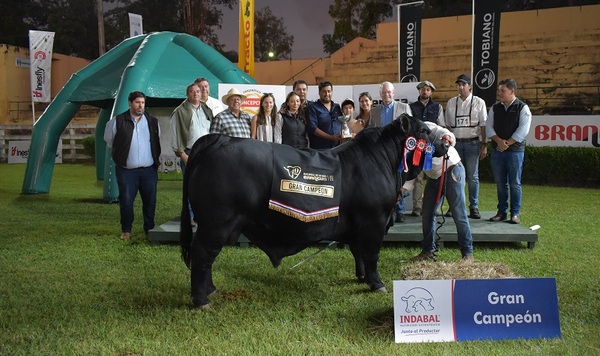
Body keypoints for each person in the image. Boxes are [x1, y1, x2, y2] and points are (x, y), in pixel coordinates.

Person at [407, 122, 474, 262]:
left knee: (458, 214)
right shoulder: (407, 144)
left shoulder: (425, 125)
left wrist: (447, 138)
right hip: (433, 177)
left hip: (452, 169)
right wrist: (401, 192)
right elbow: (410, 174)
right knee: (427, 213)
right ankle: (427, 251)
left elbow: (446, 132)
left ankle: (467, 253)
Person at [103, 91, 161, 241]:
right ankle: (126, 230)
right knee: (127, 200)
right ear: (130, 103)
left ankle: (149, 228)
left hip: (149, 170)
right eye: (137, 102)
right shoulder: (117, 121)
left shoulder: (153, 121)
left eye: (142, 102)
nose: (140, 105)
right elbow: (110, 141)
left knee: (150, 200)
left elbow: (156, 141)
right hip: (126, 171)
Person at [486, 79, 532, 224]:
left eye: (502, 91)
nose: (499, 93)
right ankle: (501, 212)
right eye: (499, 91)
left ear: (512, 92)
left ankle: (515, 214)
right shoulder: (495, 108)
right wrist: (499, 141)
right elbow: (488, 127)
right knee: (500, 184)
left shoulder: (522, 108)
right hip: (497, 151)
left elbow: (523, 130)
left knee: (515, 184)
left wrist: (507, 143)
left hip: (515, 152)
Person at [444, 74, 489, 219]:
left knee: (472, 176)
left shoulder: (479, 102)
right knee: (454, 176)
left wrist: (484, 145)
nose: (461, 87)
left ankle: (474, 207)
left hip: (472, 143)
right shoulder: (451, 102)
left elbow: (483, 125)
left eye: (464, 84)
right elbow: (448, 126)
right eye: (459, 85)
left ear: (470, 86)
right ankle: (453, 206)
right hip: (455, 143)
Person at [169, 83, 213, 225]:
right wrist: (182, 155)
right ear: (187, 94)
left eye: (198, 91)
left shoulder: (206, 109)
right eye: (192, 92)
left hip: (206, 152)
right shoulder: (180, 111)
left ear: (201, 94)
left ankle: (202, 214)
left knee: (205, 185)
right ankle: (190, 216)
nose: (196, 94)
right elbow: (175, 134)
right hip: (189, 152)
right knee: (190, 185)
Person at [370, 81, 412, 222]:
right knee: (383, 181)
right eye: (384, 92)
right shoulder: (374, 111)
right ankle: (386, 210)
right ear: (380, 94)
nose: (386, 94)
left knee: (399, 180)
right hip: (380, 152)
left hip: (398, 150)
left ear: (393, 93)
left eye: (389, 92)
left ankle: (400, 210)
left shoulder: (404, 107)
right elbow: (371, 130)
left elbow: (410, 129)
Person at [409, 80, 445, 217]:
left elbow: (442, 126)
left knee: (434, 176)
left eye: (428, 89)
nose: (425, 92)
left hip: (432, 147)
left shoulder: (438, 107)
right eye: (423, 89)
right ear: (419, 91)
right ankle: (417, 206)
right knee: (417, 177)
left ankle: (432, 206)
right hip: (416, 146)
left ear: (431, 92)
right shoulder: (411, 107)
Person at [307, 81, 343, 149]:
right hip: (320, 149)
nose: (327, 94)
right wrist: (330, 138)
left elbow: (342, 122)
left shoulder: (337, 107)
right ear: (319, 93)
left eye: (329, 91)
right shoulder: (312, 108)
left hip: (337, 148)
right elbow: (313, 129)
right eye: (324, 91)